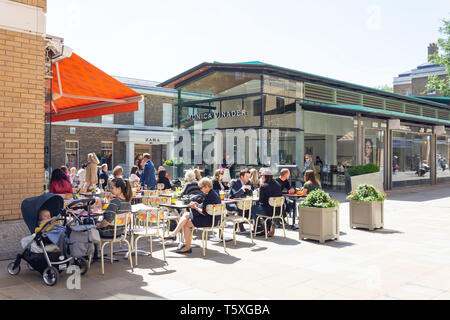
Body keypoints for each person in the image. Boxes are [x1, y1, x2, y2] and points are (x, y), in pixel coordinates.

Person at [166, 178, 221, 254]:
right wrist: (197, 205)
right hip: (213, 219)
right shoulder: (214, 194)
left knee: (186, 221)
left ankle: (180, 240)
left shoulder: (210, 196)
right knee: (186, 219)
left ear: (207, 186)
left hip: (209, 220)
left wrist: (195, 207)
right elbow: (207, 208)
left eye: (201, 188)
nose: (200, 190)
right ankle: (177, 237)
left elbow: (204, 212)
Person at [253, 168, 282, 237]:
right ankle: (268, 226)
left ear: (264, 177)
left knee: (253, 208)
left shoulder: (264, 186)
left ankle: (259, 227)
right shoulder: (278, 184)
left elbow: (261, 201)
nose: (261, 177)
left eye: (261, 176)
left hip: (268, 211)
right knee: (261, 208)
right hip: (278, 210)